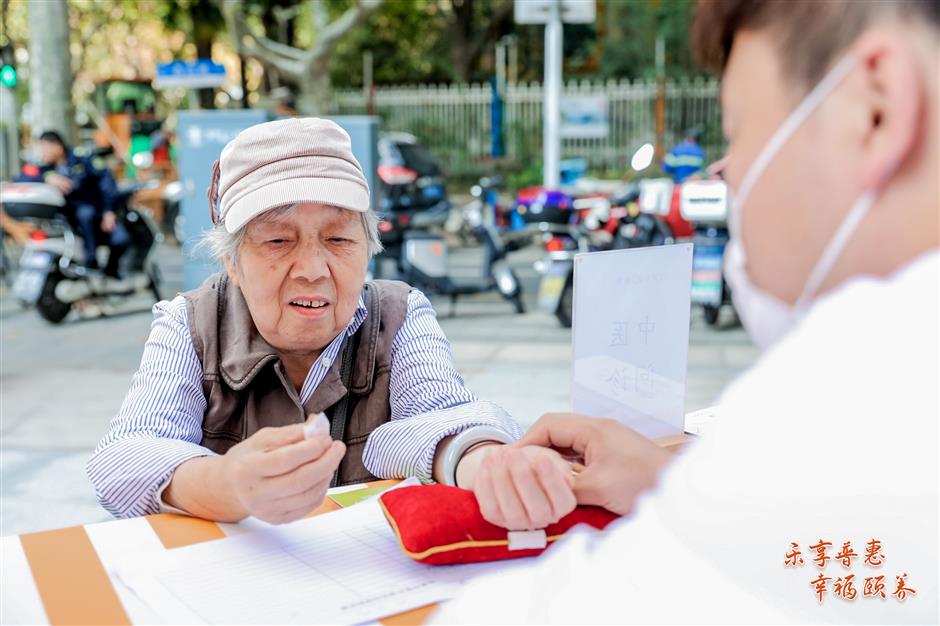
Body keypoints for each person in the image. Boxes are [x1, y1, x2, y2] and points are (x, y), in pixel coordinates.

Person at [438, 0, 938, 622]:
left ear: (877, 107)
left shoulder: (849, 391)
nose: (728, 176)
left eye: (738, 132)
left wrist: (691, 504)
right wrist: (665, 481)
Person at [86, 118, 574, 525]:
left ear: (367, 250)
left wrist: (483, 458)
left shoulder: (399, 314)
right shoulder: (190, 322)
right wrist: (227, 484)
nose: (314, 269)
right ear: (232, 263)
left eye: (339, 240)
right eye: (279, 241)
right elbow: (127, 455)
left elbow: (436, 414)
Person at [15, 130, 129, 277]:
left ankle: (108, 270)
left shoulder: (82, 159)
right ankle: (88, 263)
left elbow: (106, 182)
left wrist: (108, 211)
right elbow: (21, 179)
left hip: (97, 215)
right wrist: (46, 178)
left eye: (45, 148)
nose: (42, 153)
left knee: (120, 238)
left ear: (57, 146)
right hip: (65, 219)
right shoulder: (43, 167)